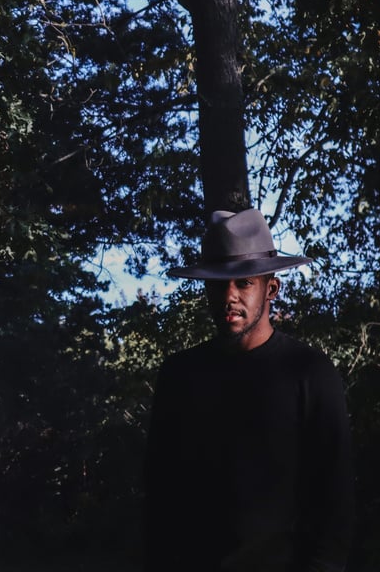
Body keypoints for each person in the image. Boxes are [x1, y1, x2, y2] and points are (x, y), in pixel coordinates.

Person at [143, 209, 354, 572]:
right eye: (218, 283)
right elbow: (160, 497)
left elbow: (333, 503)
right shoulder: (179, 376)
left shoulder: (310, 374)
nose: (229, 296)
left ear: (271, 288)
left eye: (244, 283)